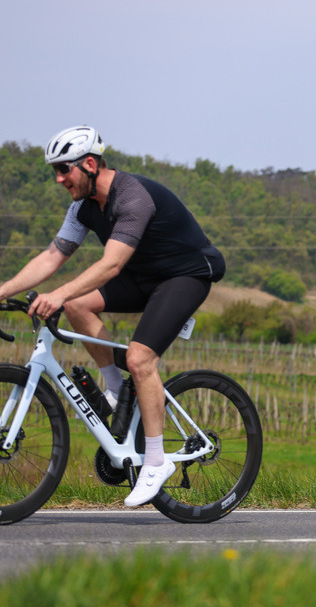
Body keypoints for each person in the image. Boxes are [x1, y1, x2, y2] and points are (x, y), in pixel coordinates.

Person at [0, 126, 225, 507]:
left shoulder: (132, 197)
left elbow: (111, 264)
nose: (58, 179)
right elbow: (53, 256)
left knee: (140, 357)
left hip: (185, 274)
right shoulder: (83, 208)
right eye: (54, 170)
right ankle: (116, 388)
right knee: (77, 305)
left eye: (63, 170)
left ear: (89, 164)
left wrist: (56, 293)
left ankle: (155, 463)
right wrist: (3, 290)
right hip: (144, 276)